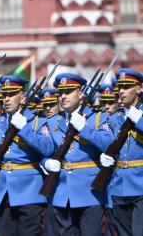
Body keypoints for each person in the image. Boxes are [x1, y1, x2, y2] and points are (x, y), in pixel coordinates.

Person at [0, 75, 54, 236]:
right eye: (4, 95)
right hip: (1, 192)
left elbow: (48, 148)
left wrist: (24, 129)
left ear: (22, 98)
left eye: (11, 95)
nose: (6, 99)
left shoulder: (37, 122)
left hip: (28, 191)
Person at [42, 73, 113, 235]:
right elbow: (44, 150)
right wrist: (45, 162)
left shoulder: (97, 118)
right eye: (60, 92)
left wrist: (84, 129)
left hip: (89, 192)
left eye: (68, 91)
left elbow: (109, 144)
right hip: (62, 193)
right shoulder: (53, 121)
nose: (63, 96)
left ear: (81, 94)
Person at [99, 68, 143, 235]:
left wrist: (137, 118)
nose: (121, 91)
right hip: (120, 185)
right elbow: (107, 142)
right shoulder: (115, 118)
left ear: (139, 89)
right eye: (119, 87)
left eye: (126, 86)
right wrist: (103, 155)